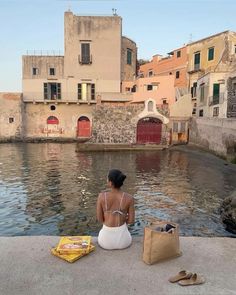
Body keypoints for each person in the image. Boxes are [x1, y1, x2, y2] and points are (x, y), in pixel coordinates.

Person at [96, 169, 135, 250]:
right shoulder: (129, 198)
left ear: (110, 183)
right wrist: (122, 219)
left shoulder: (101, 196)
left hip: (105, 242)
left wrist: (108, 218)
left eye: (107, 178)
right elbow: (131, 221)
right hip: (124, 241)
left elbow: (100, 219)